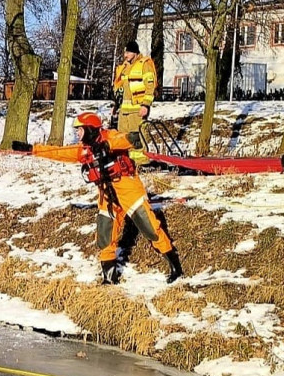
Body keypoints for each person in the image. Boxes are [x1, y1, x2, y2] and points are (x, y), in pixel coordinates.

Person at [12, 112, 183, 284]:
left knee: (150, 227)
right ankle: (109, 277)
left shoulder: (111, 135)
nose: (77, 134)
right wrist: (31, 149)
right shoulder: (83, 149)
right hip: (107, 194)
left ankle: (175, 266)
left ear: (89, 129)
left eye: (79, 130)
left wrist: (107, 145)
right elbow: (59, 152)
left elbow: (131, 138)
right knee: (105, 233)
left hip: (128, 189)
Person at [110, 41, 157, 162]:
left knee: (137, 138)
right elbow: (120, 89)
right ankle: (126, 164)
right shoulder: (124, 67)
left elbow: (150, 87)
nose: (125, 55)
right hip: (124, 112)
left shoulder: (144, 65)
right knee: (123, 138)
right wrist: (116, 106)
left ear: (135, 52)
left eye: (128, 52)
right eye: (125, 52)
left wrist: (145, 105)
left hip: (137, 111)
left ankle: (141, 164)